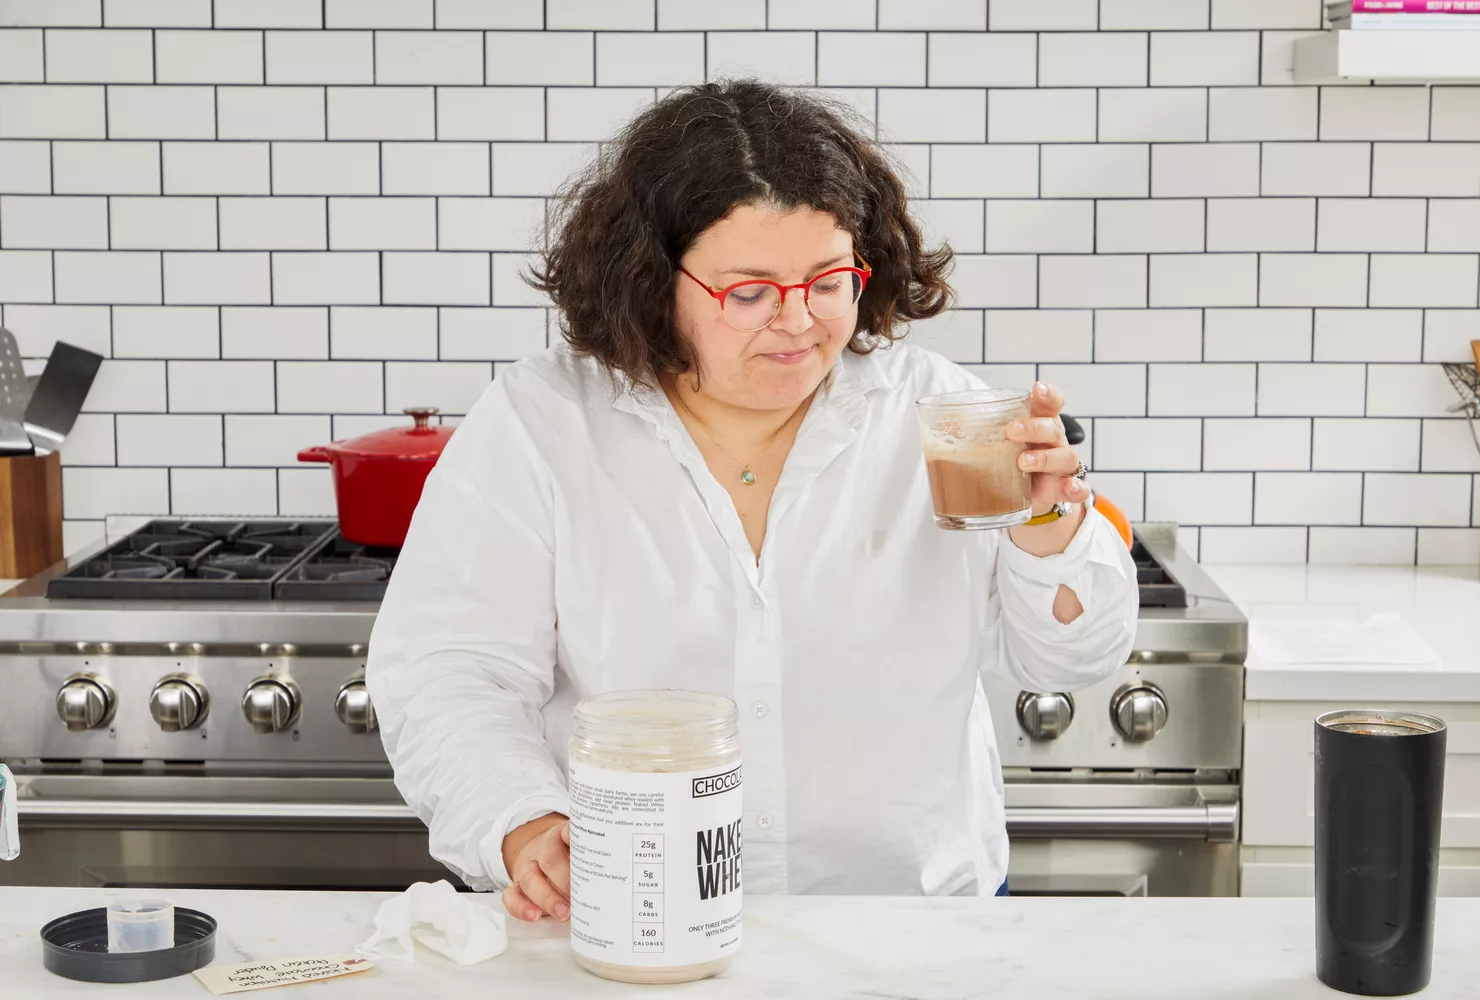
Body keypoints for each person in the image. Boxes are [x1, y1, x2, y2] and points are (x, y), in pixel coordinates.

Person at [365, 79, 1138, 922]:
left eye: (828, 280)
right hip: (639, 915)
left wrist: (1050, 523)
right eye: (751, 291)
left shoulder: (935, 411)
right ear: (653, 277)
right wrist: (522, 822)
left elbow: (1070, 660)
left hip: (917, 922)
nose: (799, 322)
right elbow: (449, 672)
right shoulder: (543, 423)